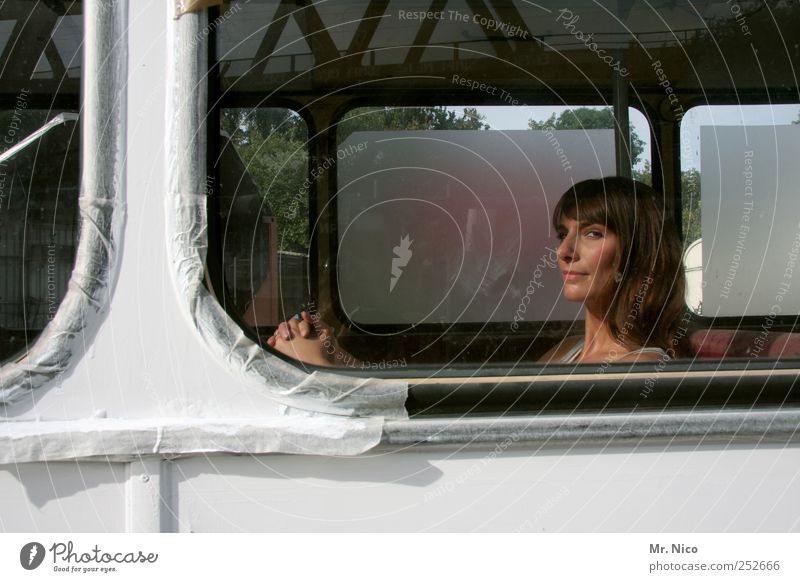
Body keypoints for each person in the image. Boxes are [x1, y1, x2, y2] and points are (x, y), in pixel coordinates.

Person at [267, 176, 688, 366]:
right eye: (563, 233)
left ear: (639, 251)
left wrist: (324, 371)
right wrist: (334, 355)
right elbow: (455, 396)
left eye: (593, 233)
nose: (564, 252)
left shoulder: (636, 367)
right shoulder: (571, 350)